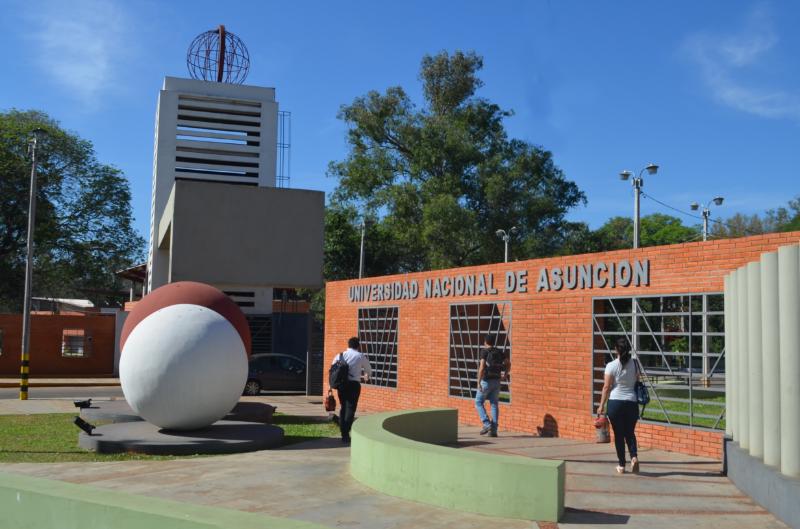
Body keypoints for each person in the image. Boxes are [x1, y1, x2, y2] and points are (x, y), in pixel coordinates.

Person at [596, 337, 640, 474]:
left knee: (619, 435)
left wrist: (601, 405)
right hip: (632, 403)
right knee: (630, 432)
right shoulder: (635, 364)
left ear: (616, 349)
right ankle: (634, 457)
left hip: (616, 403)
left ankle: (621, 465)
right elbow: (637, 381)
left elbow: (606, 387)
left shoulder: (611, 365)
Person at [332, 337, 372, 443]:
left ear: (348, 345)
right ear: (358, 346)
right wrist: (366, 375)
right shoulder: (360, 356)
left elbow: (333, 369)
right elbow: (368, 369)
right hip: (354, 385)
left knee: (343, 407)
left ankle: (343, 431)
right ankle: (345, 432)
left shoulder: (339, 355)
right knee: (351, 408)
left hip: (341, 385)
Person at [475, 335, 510, 437]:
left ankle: (486, 424)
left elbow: (481, 367)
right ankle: (494, 431)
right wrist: (506, 374)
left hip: (486, 381)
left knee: (478, 402)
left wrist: (478, 382)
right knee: (494, 404)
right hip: (497, 381)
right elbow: (508, 363)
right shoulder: (499, 352)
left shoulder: (484, 351)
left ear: (485, 342)